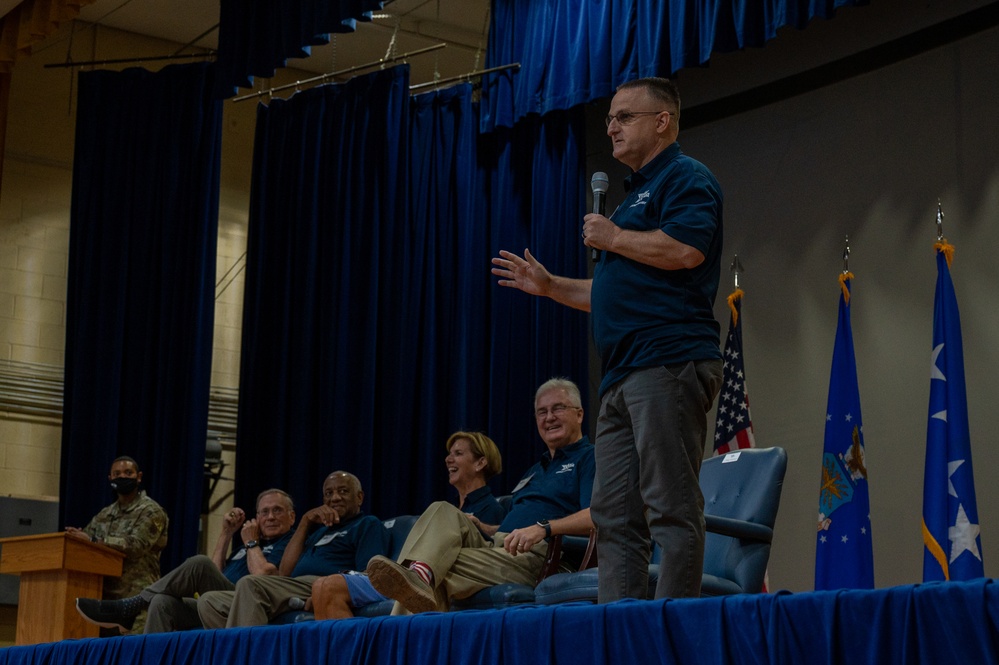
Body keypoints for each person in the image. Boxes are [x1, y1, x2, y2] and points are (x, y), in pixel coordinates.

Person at [491, 77, 724, 602]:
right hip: (621, 375)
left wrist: (613, 237)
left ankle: (672, 633)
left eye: (624, 117)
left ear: (661, 121)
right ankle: (620, 638)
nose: (611, 127)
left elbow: (687, 250)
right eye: (609, 119)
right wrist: (550, 288)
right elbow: (610, 294)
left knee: (670, 506)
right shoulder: (629, 200)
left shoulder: (685, 178)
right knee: (615, 517)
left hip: (667, 361)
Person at [366, 378, 594, 614]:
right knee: (442, 509)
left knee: (436, 567)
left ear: (579, 414)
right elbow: (514, 526)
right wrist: (488, 528)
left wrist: (543, 527)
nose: (549, 417)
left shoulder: (590, 458)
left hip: (540, 555)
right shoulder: (535, 470)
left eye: (558, 408)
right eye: (541, 412)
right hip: (499, 547)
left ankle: (402, 634)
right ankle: (419, 575)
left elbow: (597, 516)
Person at [309, 430, 507, 619]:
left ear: (480, 462)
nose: (448, 459)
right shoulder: (448, 509)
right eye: (449, 454)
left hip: (439, 578)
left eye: (458, 453)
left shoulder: (492, 509)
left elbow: (492, 552)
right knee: (321, 586)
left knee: (330, 587)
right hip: (408, 574)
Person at [75, 488, 296, 633]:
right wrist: (226, 534)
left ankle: (133, 606)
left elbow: (263, 578)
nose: (270, 517)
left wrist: (251, 544)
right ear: (257, 517)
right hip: (216, 601)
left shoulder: (290, 542)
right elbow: (216, 573)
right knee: (162, 603)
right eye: (264, 512)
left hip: (248, 605)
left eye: (277, 511)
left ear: (292, 516)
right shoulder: (247, 545)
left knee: (199, 563)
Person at [196, 471, 389, 628]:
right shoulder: (319, 532)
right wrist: (305, 522)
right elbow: (285, 572)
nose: (335, 498)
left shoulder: (367, 524)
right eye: (328, 494)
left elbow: (368, 576)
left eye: (343, 491)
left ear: (360, 497)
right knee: (210, 601)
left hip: (324, 584)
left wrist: (322, 591)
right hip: (291, 586)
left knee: (251, 584)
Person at [65, 456, 169, 633]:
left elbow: (136, 546)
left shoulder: (151, 511)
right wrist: (76, 538)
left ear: (139, 477)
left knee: (135, 655)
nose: (122, 477)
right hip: (104, 601)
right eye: (117, 474)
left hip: (138, 601)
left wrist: (92, 540)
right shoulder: (105, 514)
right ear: (110, 479)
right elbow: (88, 542)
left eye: (128, 473)